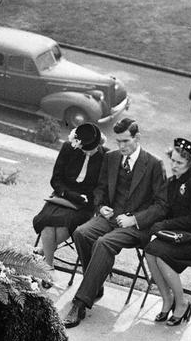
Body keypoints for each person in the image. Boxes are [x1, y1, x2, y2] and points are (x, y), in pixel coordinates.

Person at [62, 118, 167, 328]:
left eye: (126, 141)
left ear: (137, 138)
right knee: (81, 233)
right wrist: (101, 207)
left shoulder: (155, 164)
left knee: (103, 243)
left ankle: (80, 302)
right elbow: (100, 189)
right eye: (118, 141)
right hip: (110, 217)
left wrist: (134, 219)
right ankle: (95, 284)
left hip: (135, 226)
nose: (121, 146)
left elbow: (162, 205)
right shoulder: (111, 158)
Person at [144, 138, 191, 326]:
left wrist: (164, 225)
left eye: (179, 163)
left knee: (162, 257)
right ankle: (167, 299)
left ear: (190, 164)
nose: (173, 165)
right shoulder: (172, 181)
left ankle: (182, 303)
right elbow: (165, 208)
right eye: (172, 160)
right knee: (150, 251)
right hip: (176, 236)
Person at [32, 123, 106, 283]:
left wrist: (90, 200)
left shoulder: (105, 156)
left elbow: (102, 186)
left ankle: (43, 253)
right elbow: (56, 179)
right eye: (84, 148)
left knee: (65, 223)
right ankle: (48, 267)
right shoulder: (68, 148)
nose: (87, 151)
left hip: (85, 204)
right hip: (62, 195)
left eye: (91, 149)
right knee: (47, 221)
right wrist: (70, 194)